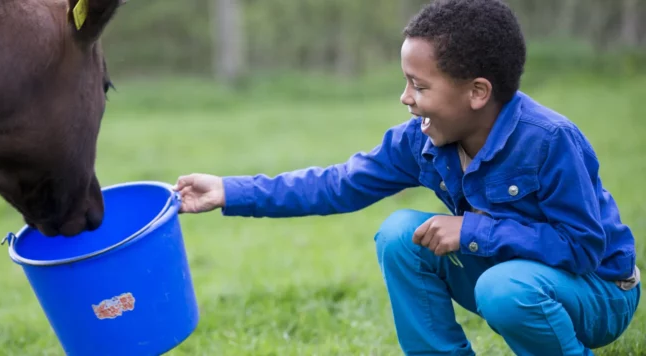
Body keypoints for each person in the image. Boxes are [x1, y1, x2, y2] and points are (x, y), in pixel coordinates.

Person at [173, 0, 641, 354]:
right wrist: (229, 190)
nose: (406, 98)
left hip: (598, 292)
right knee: (401, 236)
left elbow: (583, 248)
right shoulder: (420, 140)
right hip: (517, 278)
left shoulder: (549, 140)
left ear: (478, 92)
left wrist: (473, 229)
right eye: (406, 83)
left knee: (505, 290)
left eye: (419, 86)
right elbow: (337, 183)